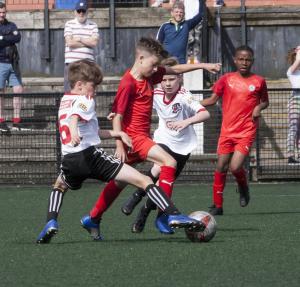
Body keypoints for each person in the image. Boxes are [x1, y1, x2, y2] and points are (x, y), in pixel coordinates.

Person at [36, 59, 204, 244]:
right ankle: (172, 214)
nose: (95, 92)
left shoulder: (65, 101)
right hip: (90, 158)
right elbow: (75, 117)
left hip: (69, 160)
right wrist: (75, 130)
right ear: (80, 85)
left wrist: (118, 133)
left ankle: (51, 222)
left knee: (59, 186)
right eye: (93, 87)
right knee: (145, 180)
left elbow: (91, 131)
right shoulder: (85, 99)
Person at [87, 37, 221, 236]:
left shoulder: (149, 76)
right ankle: (165, 215)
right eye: (153, 64)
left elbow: (175, 70)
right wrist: (119, 144)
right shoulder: (127, 83)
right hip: (134, 138)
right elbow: (117, 116)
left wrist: (203, 65)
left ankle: (93, 218)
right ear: (141, 58)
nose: (156, 68)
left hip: (139, 138)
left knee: (119, 182)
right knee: (169, 162)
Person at [120, 57, 210, 234]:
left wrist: (186, 122)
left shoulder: (185, 96)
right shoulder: (155, 93)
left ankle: (144, 213)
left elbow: (204, 114)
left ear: (180, 80)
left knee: (162, 185)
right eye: (164, 80)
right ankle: (137, 195)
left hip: (184, 145)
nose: (167, 84)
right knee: (158, 168)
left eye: (172, 79)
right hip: (163, 139)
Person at [200, 45, 269, 216]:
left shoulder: (259, 81)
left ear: (252, 61)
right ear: (235, 60)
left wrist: (259, 107)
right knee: (221, 166)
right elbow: (212, 100)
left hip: (246, 130)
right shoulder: (226, 79)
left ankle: (243, 186)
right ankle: (217, 205)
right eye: (241, 59)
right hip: (227, 131)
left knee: (235, 166)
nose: (244, 62)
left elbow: (265, 101)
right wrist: (189, 104)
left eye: (248, 59)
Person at [63, 0, 99, 92]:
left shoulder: (93, 25)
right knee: (69, 91)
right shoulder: (69, 24)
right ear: (75, 12)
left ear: (87, 11)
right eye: (79, 11)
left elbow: (94, 43)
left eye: (83, 11)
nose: (81, 13)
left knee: (88, 92)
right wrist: (87, 42)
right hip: (72, 64)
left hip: (88, 64)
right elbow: (70, 43)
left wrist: (79, 39)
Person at [0, 2, 23, 132]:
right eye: (0, 13)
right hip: (0, 63)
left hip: (13, 63)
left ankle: (16, 121)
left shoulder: (12, 25)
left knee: (18, 90)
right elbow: (11, 38)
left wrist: (2, 38)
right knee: (0, 92)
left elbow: (17, 37)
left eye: (4, 12)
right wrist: (9, 38)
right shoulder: (10, 28)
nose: (2, 15)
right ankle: (1, 121)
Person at [286, 46, 300, 165]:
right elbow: (297, 61)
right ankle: (290, 156)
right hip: (295, 99)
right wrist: (299, 50)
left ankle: (299, 155)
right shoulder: (291, 71)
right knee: (293, 128)